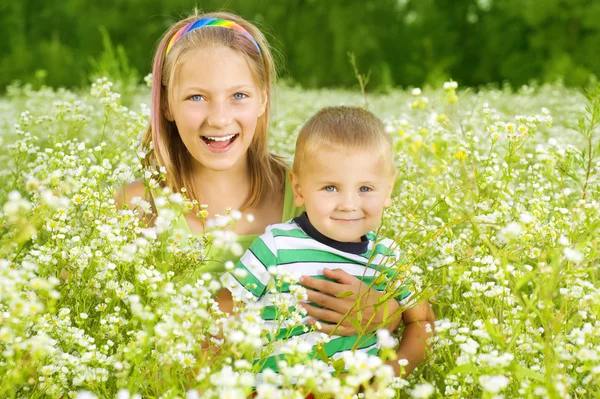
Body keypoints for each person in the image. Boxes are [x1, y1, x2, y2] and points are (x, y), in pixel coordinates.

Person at [115, 10, 404, 341]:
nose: (220, 119)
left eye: (238, 95)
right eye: (196, 97)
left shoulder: (310, 192)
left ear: (263, 98)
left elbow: (372, 279)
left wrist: (385, 314)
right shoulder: (137, 205)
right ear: (166, 104)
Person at [217, 106, 435, 379]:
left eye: (365, 188)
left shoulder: (388, 256)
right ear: (299, 189)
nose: (348, 205)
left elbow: (422, 321)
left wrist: (389, 375)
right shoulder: (275, 246)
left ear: (388, 190)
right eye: (330, 187)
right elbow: (221, 313)